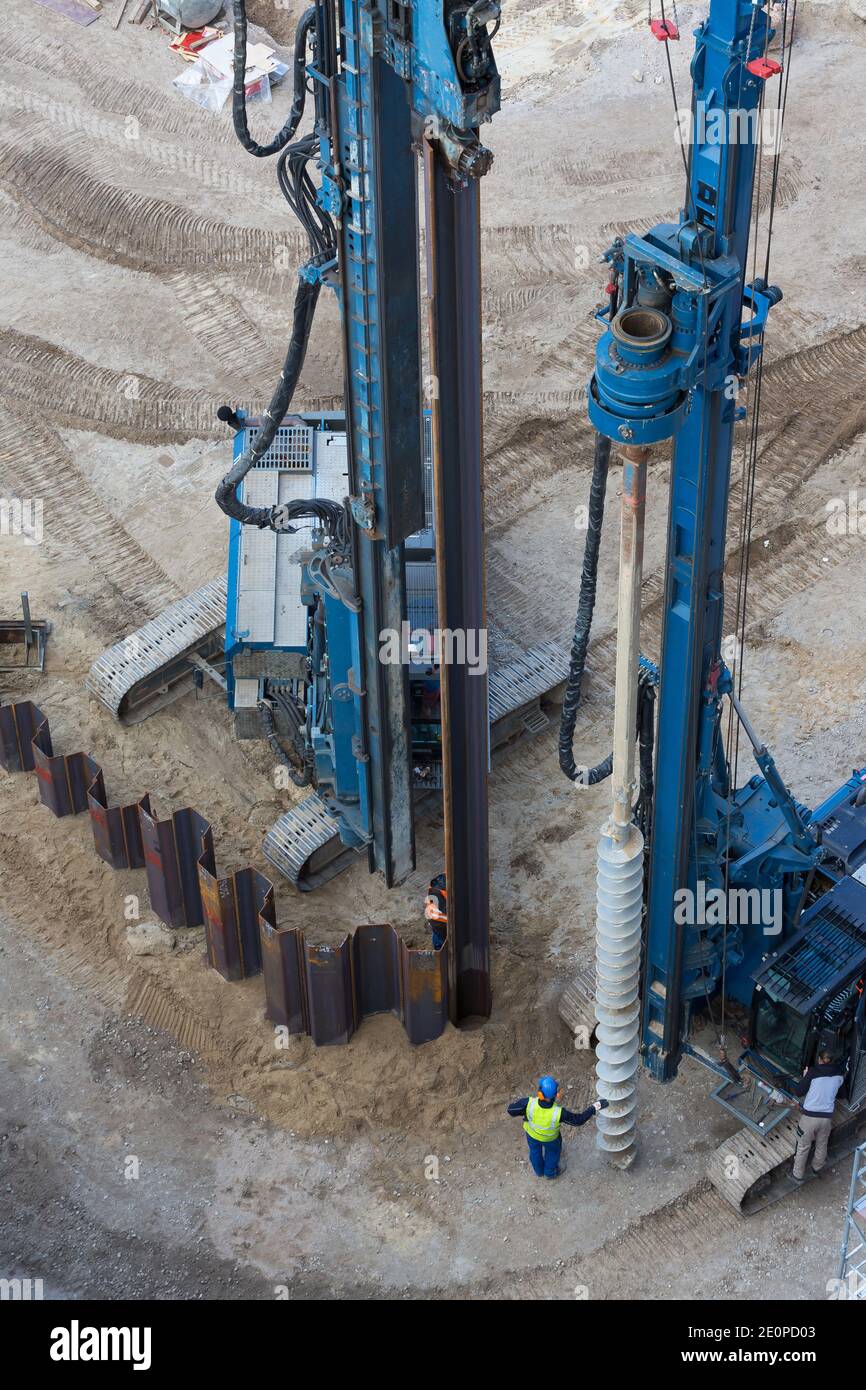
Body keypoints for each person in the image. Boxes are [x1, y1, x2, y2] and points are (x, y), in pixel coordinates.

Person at [507, 1075, 608, 1179]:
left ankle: (539, 1171)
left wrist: (524, 1112)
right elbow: (578, 1120)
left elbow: (511, 1110)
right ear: (556, 1095)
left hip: (532, 1136)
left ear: (539, 1092)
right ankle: (550, 1173)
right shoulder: (559, 1113)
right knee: (552, 1154)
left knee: (535, 1153)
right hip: (550, 1140)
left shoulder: (528, 1103)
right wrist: (595, 1107)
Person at [790, 1049, 846, 1182]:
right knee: (822, 1144)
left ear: (820, 1060)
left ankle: (797, 1175)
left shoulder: (813, 1072)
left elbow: (798, 1092)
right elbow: (843, 1095)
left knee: (803, 1146)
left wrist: (805, 1077)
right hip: (826, 1119)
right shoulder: (839, 1075)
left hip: (809, 1118)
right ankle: (817, 1168)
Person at [424, 872, 447, 951]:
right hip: (438, 923)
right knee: (441, 938)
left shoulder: (443, 880)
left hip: (436, 919)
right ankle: (439, 949)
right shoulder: (440, 893)